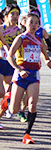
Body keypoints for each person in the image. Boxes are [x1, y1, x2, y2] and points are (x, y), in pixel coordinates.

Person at [7, 11, 51, 144]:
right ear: (24, 23)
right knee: (14, 109)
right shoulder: (20, 38)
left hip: (34, 75)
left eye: (36, 23)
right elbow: (9, 56)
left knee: (32, 105)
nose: (33, 25)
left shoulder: (39, 40)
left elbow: (46, 56)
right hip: (21, 75)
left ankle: (27, 134)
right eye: (31, 22)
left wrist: (48, 61)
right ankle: (7, 100)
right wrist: (19, 70)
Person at [0, 4, 21, 129]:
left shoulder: (20, 32)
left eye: (17, 15)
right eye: (12, 14)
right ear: (6, 16)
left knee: (8, 93)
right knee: (0, 93)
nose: (15, 17)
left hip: (11, 64)